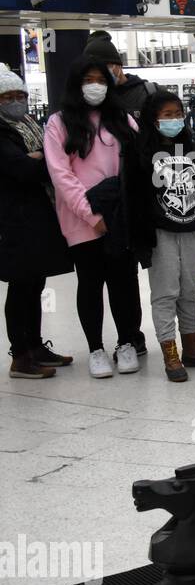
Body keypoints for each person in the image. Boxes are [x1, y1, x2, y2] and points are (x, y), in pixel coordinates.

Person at [43, 55, 147, 379]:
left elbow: (137, 163)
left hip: (121, 217)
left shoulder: (122, 120)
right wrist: (90, 215)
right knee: (90, 284)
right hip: (81, 220)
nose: (95, 86)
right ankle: (95, 349)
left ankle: (127, 342)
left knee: (124, 284)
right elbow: (61, 176)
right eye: (88, 79)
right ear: (76, 84)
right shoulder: (59, 124)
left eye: (101, 79)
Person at [129, 90, 195, 382]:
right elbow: (133, 198)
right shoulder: (139, 152)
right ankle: (169, 353)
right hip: (160, 233)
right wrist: (138, 239)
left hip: (193, 229)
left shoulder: (194, 147)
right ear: (152, 119)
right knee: (165, 293)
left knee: (189, 291)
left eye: (177, 113)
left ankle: (193, 347)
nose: (174, 119)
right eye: (166, 115)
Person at [0, 66, 74, 378]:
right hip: (13, 221)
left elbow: (48, 159)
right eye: (8, 97)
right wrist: (44, 159)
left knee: (35, 283)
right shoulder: (2, 132)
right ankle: (21, 356)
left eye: (21, 95)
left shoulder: (28, 125)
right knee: (21, 287)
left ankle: (35, 346)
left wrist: (39, 157)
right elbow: (23, 170)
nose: (17, 102)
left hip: (35, 216)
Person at [83, 31, 156, 119]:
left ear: (119, 65)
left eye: (104, 67)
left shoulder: (148, 93)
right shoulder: (92, 97)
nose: (101, 73)